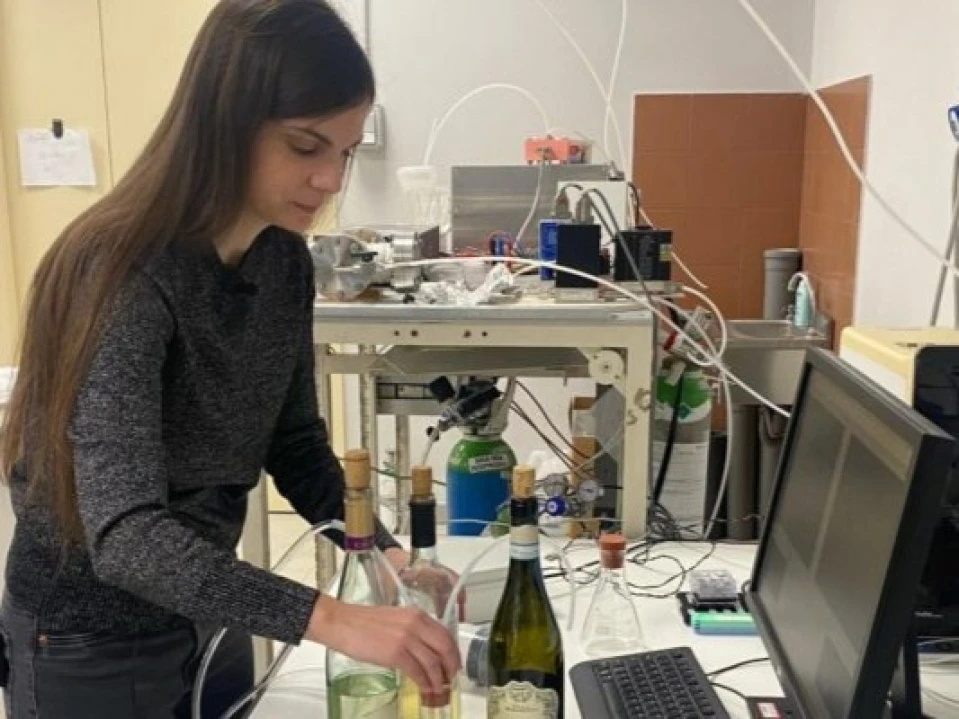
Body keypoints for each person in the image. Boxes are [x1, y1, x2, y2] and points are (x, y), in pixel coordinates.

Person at [0, 1, 461, 717]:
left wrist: (386, 555)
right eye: (306, 147)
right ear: (225, 122)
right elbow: (126, 536)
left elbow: (295, 443)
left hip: (210, 602)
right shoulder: (117, 272)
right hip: (91, 638)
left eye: (344, 152)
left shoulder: (282, 261)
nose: (331, 180)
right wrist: (334, 618)